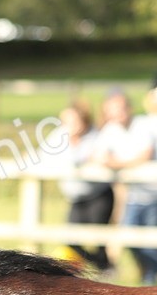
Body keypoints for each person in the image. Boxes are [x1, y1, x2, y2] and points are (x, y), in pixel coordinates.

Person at [100, 84, 157, 285]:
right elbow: (101, 156)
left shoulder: (146, 125)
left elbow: (146, 155)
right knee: (131, 239)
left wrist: (119, 164)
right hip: (136, 194)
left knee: (152, 241)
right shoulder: (113, 129)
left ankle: (153, 279)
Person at [45, 101, 113, 273]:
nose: (69, 126)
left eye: (73, 121)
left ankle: (104, 268)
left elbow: (101, 157)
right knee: (71, 240)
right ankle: (100, 267)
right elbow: (43, 155)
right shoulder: (58, 136)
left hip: (98, 195)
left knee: (98, 238)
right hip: (76, 197)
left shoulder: (96, 137)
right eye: (66, 121)